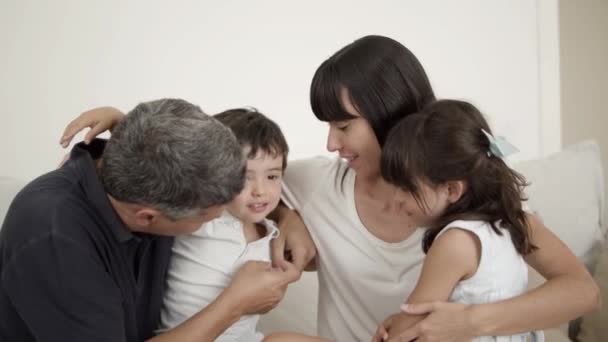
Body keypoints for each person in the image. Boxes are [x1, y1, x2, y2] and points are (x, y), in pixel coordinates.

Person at [59, 35, 600, 342]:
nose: (331, 142)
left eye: (344, 125)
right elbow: (217, 164)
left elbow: (580, 289)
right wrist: (128, 127)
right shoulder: (311, 183)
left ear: (389, 114)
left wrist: (471, 322)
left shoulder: (466, 198)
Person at [0, 99, 299, 342]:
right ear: (148, 218)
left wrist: (288, 217)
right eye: (209, 216)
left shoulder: (138, 174)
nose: (219, 218)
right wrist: (235, 305)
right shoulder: (55, 240)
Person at [371, 99, 543, 341]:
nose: (396, 198)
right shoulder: (505, 224)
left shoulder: (456, 242)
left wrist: (393, 330)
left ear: (452, 190)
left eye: (406, 188)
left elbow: (406, 333)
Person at [157, 107, 325, 342]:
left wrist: (279, 281)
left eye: (272, 176)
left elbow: (261, 306)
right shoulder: (201, 220)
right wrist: (118, 120)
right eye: (244, 177)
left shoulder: (272, 234)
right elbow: (166, 162)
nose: (260, 191)